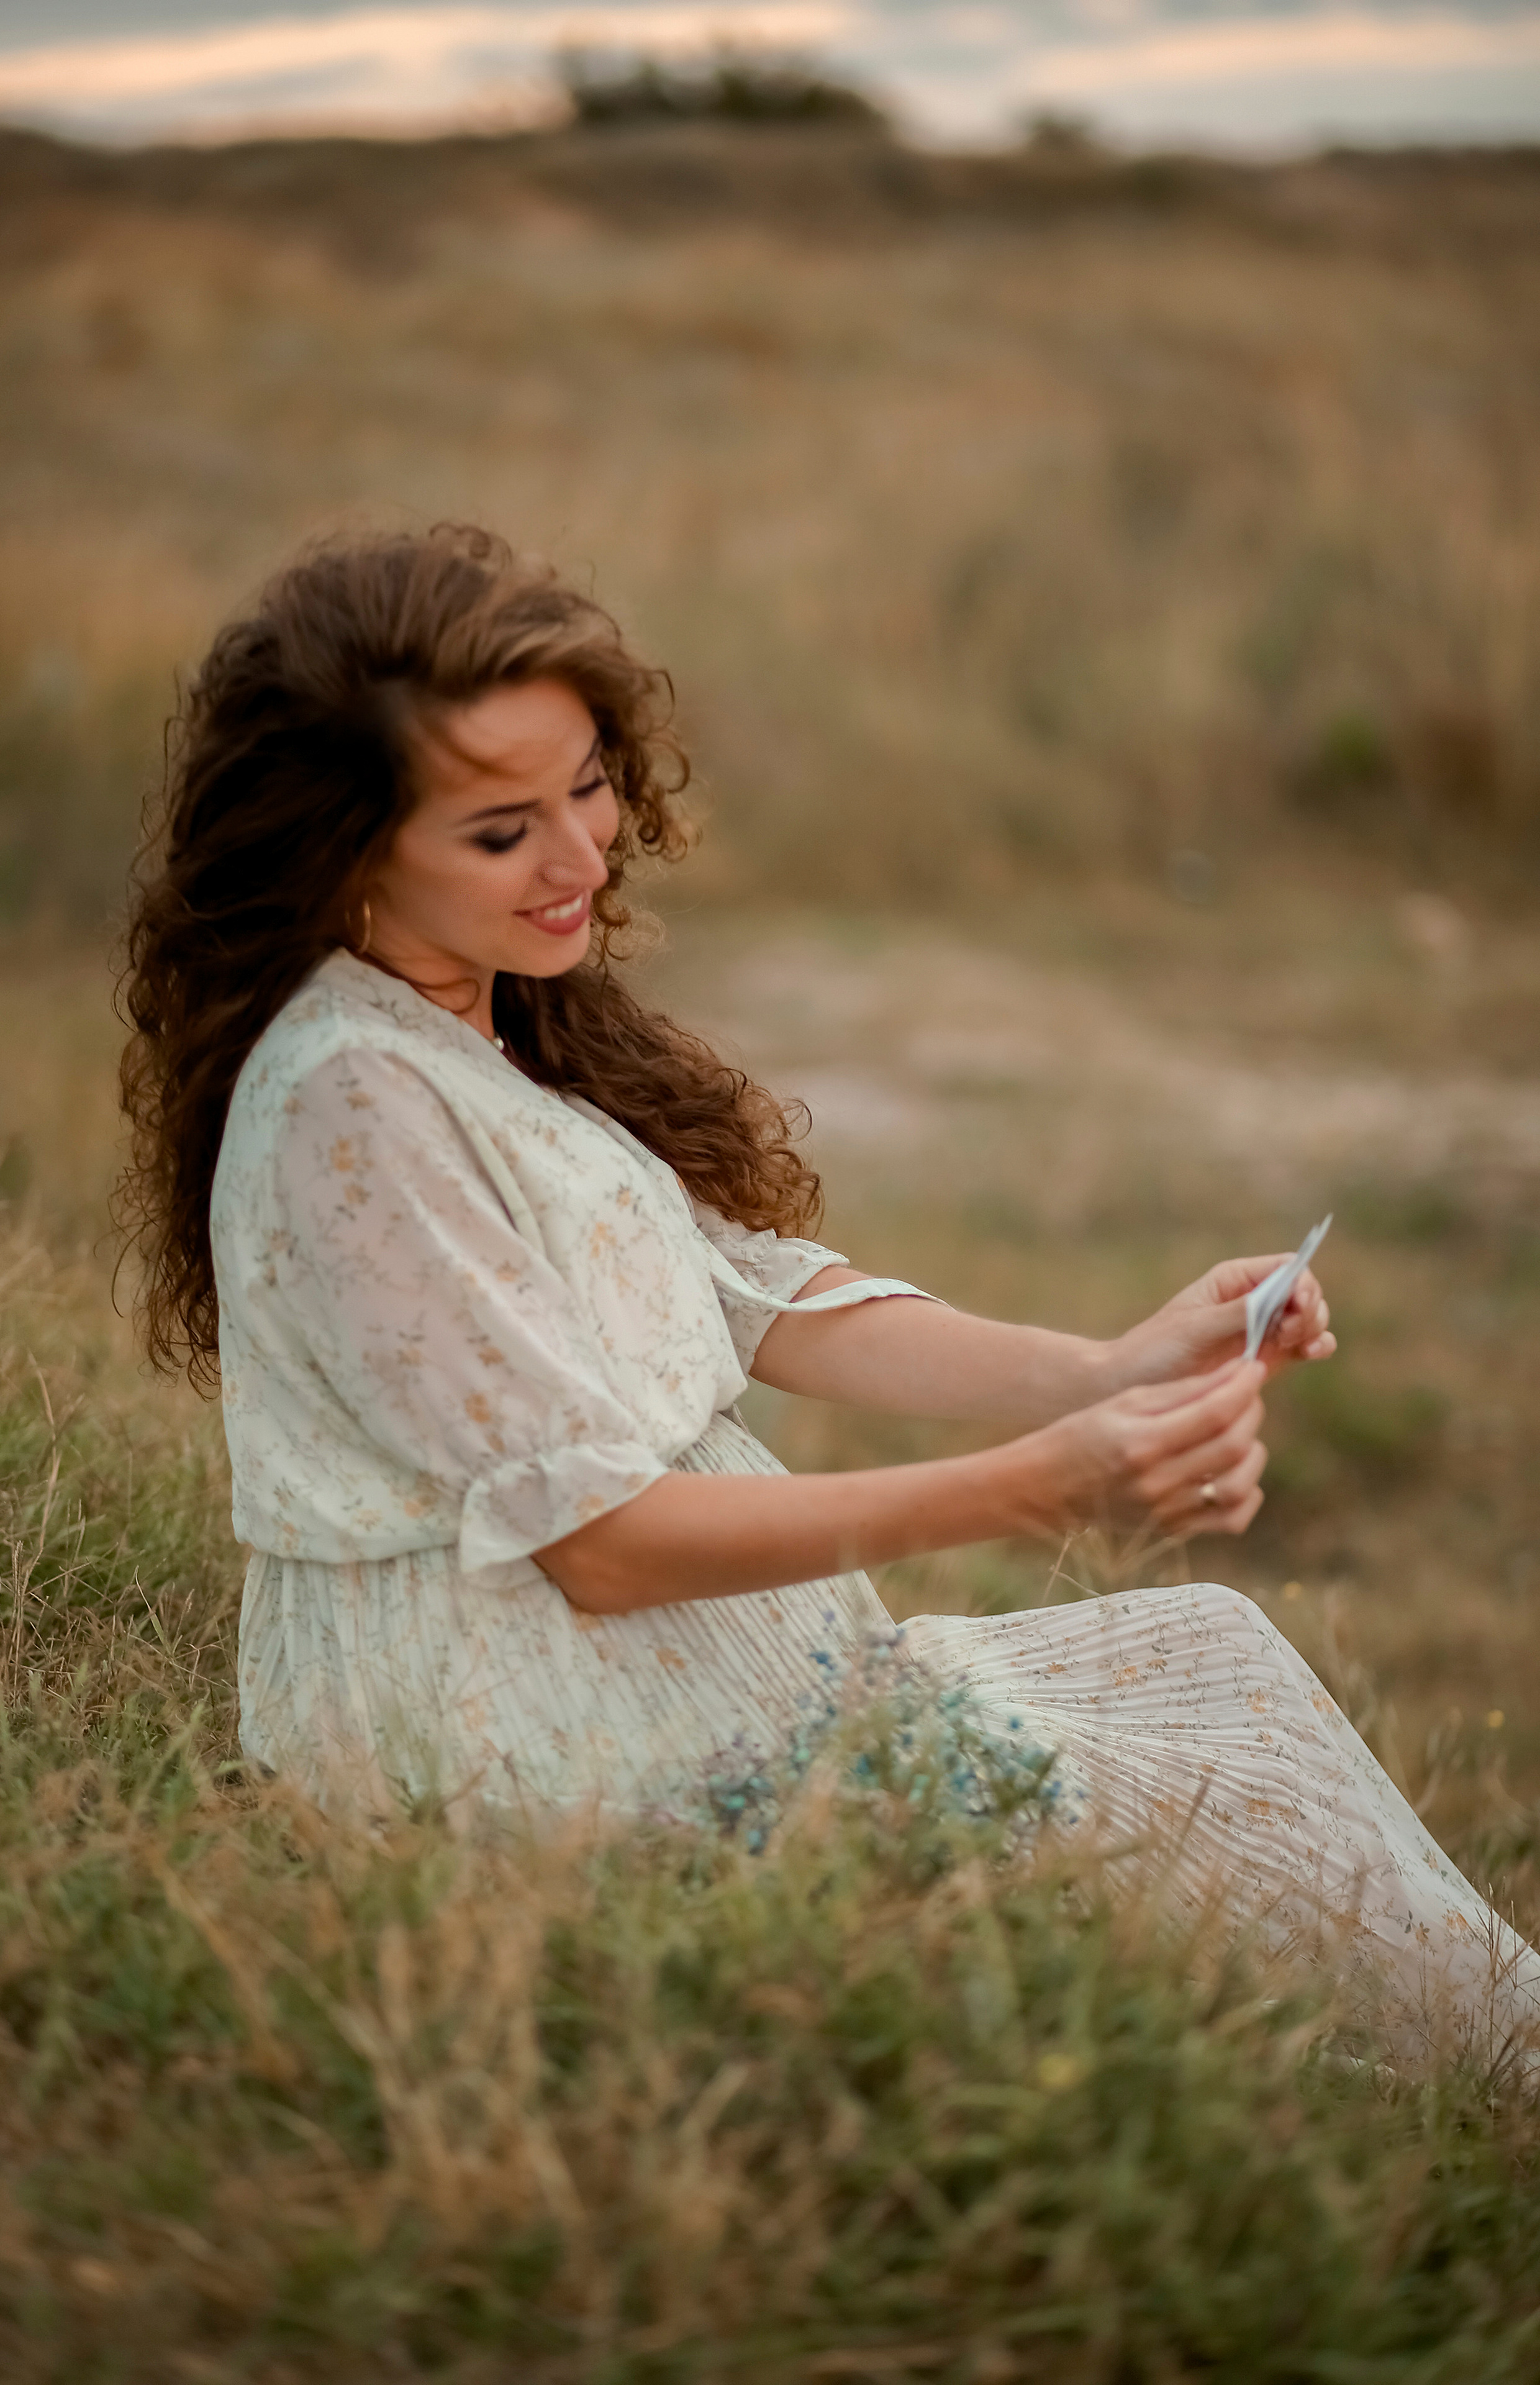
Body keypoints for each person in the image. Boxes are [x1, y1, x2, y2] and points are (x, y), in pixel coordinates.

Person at [119, 525, 1539, 2069]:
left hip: (691, 1681)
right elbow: (595, 1546)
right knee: (1177, 1844)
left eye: (588, 786)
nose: (582, 858)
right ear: (343, 852)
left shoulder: (482, 1016)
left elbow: (755, 1301)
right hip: (523, 1748)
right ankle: (1463, 2092)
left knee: (1213, 1666)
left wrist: (1112, 1366)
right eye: (502, 830)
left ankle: (1488, 2072)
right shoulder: (354, 1096)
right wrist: (1029, 1490)